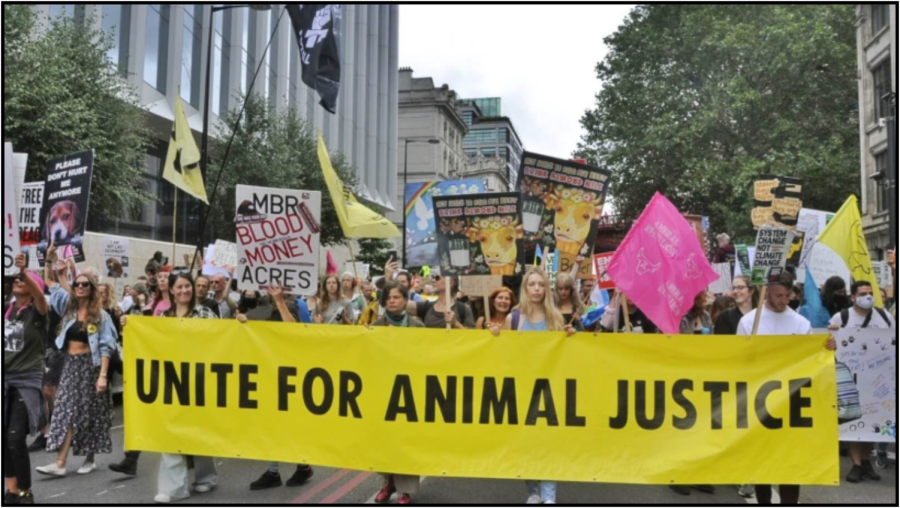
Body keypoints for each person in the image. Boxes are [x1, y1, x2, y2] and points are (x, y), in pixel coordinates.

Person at [738, 271, 836, 504]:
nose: (783, 300)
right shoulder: (749, 322)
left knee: (792, 463)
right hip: (759, 401)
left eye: (787, 295)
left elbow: (812, 360)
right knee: (763, 462)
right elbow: (738, 361)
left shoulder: (801, 323)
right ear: (766, 293)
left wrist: (826, 349)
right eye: (778, 295)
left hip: (793, 401)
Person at [490, 267, 575, 504]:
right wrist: (496, 337)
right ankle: (533, 492)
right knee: (526, 445)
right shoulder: (513, 318)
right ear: (525, 288)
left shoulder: (556, 318)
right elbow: (504, 357)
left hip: (549, 393)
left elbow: (564, 356)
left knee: (548, 445)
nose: (536, 288)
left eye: (541, 284)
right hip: (521, 392)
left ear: (546, 289)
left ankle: (548, 496)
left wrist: (570, 337)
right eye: (532, 284)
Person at [133, 273, 219, 504]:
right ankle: (175, 487)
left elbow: (223, 341)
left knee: (199, 432)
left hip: (199, 381)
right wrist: (130, 325)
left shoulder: (205, 313)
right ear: (171, 290)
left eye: (187, 286)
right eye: (179, 287)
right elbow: (152, 341)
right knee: (170, 431)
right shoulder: (163, 315)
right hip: (171, 382)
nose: (184, 291)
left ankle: (206, 477)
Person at [36, 262, 117, 479]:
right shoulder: (68, 310)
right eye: (77, 284)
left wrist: (102, 376)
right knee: (65, 411)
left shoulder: (100, 315)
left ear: (91, 289)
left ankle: (89, 458)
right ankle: (60, 463)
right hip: (70, 366)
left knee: (88, 413)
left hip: (90, 367)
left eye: (85, 284)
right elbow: (52, 285)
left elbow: (106, 346)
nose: (80, 287)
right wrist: (51, 262)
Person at [236, 287, 315, 492]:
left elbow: (295, 331)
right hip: (268, 371)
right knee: (271, 424)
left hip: (288, 373)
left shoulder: (293, 305)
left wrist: (280, 302)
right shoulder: (262, 304)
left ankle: (303, 465)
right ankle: (274, 471)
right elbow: (248, 322)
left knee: (289, 424)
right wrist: (242, 319)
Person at [828, 281, 894, 484]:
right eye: (863, 293)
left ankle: (865, 461)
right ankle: (856, 465)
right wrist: (833, 332)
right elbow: (829, 343)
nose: (868, 297)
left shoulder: (885, 317)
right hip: (851, 380)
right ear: (853, 297)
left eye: (870, 293)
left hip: (878, 381)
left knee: (874, 422)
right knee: (853, 423)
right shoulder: (842, 317)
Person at [372, 282, 425, 505]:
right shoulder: (375, 325)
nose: (392, 300)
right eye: (389, 298)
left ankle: (405, 490)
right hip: (383, 390)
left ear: (405, 300)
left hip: (409, 391)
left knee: (406, 441)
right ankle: (388, 482)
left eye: (396, 297)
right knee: (384, 441)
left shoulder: (418, 327)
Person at [5, 255, 50, 504]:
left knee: (14, 437)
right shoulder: (6, 309)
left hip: (26, 382)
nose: (19, 281)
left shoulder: (39, 313)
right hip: (4, 380)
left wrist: (23, 270)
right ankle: (11, 490)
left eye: (26, 280)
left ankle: (25, 491)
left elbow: (42, 298)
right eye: (17, 279)